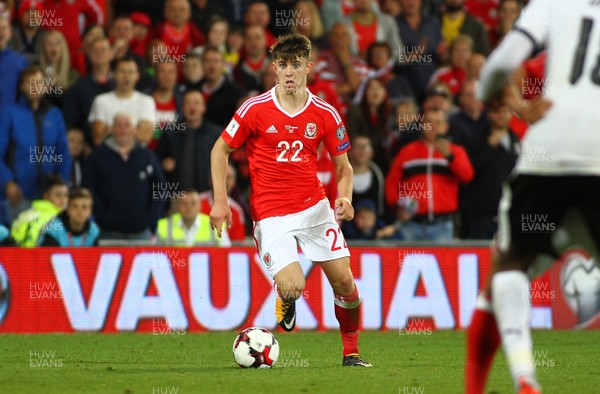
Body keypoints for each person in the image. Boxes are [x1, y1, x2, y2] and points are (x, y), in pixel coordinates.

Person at [210, 33, 371, 367]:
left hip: (314, 208)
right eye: (283, 65)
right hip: (271, 215)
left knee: (345, 282)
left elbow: (344, 167)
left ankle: (351, 352)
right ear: (274, 68)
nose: (289, 72)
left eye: (296, 65)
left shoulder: (325, 113)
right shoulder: (255, 109)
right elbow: (220, 149)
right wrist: (221, 201)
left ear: (308, 67)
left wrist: (345, 197)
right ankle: (287, 297)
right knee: (294, 286)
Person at [465, 0, 600, 393]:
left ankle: (524, 377)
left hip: (549, 151)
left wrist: (507, 100)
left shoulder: (554, 6)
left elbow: (503, 62)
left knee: (508, 266)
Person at [385, 109, 474, 241]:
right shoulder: (407, 152)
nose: (433, 127)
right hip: (411, 224)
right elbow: (391, 183)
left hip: (442, 224)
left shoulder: (455, 151)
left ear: (446, 127)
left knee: (443, 262)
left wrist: (451, 157)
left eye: (438, 123)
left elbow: (467, 176)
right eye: (429, 122)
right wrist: (397, 206)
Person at [0, 66, 71, 222]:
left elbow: (63, 152)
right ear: (21, 86)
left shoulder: (54, 114)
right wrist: (7, 182)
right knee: (20, 241)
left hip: (50, 195)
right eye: (30, 82)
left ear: (45, 86)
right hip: (19, 194)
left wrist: (61, 182)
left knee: (49, 242)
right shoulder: (9, 114)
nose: (35, 87)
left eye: (39, 82)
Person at [83, 113, 166, 241]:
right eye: (118, 125)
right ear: (111, 129)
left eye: (127, 125)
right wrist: (101, 215)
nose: (123, 129)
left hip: (141, 232)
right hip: (107, 232)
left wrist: (150, 216)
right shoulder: (97, 156)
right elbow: (88, 188)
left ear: (134, 129)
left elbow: (161, 187)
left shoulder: (147, 156)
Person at [460, 100, 519, 239]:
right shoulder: (476, 139)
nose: (501, 116)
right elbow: (468, 172)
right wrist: (488, 147)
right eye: (497, 112)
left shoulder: (515, 139)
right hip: (481, 213)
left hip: (509, 211)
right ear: (489, 114)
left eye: (505, 111)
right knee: (483, 256)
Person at [156, 90, 221, 193]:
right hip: (176, 196)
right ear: (182, 108)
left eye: (196, 102)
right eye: (188, 103)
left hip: (205, 195)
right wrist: (163, 163)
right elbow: (157, 159)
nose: (192, 106)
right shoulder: (170, 132)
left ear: (204, 107)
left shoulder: (215, 134)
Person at [88, 56, 156, 146]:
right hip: (107, 154)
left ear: (137, 76)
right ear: (114, 74)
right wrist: (133, 129)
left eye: (130, 72)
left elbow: (145, 137)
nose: (126, 76)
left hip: (137, 155)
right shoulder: (100, 101)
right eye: (122, 71)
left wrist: (111, 129)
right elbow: (98, 139)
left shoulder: (147, 101)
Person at [63, 37, 114, 148]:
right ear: (89, 55)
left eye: (103, 50)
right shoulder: (78, 87)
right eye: (95, 50)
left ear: (111, 54)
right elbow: (71, 122)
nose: (99, 53)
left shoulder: (120, 85)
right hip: (90, 147)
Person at [11, 174, 68, 247]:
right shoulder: (51, 217)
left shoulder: (27, 214)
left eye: (66, 195)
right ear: (46, 196)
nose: (63, 199)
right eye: (58, 195)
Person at [157, 189, 230, 246]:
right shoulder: (164, 225)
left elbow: (226, 252)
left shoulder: (216, 225)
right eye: (184, 203)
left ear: (200, 206)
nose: (188, 207)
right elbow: (156, 254)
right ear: (178, 206)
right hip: (175, 265)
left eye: (193, 203)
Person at [199, 46, 246, 127]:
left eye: (216, 61)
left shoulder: (235, 93)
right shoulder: (194, 89)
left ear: (223, 65)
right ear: (202, 64)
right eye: (208, 61)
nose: (212, 66)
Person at [0, 16, 28, 111]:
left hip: (11, 117)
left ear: (10, 34)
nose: (1, 31)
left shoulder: (20, 61)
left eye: (4, 28)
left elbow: (25, 94)